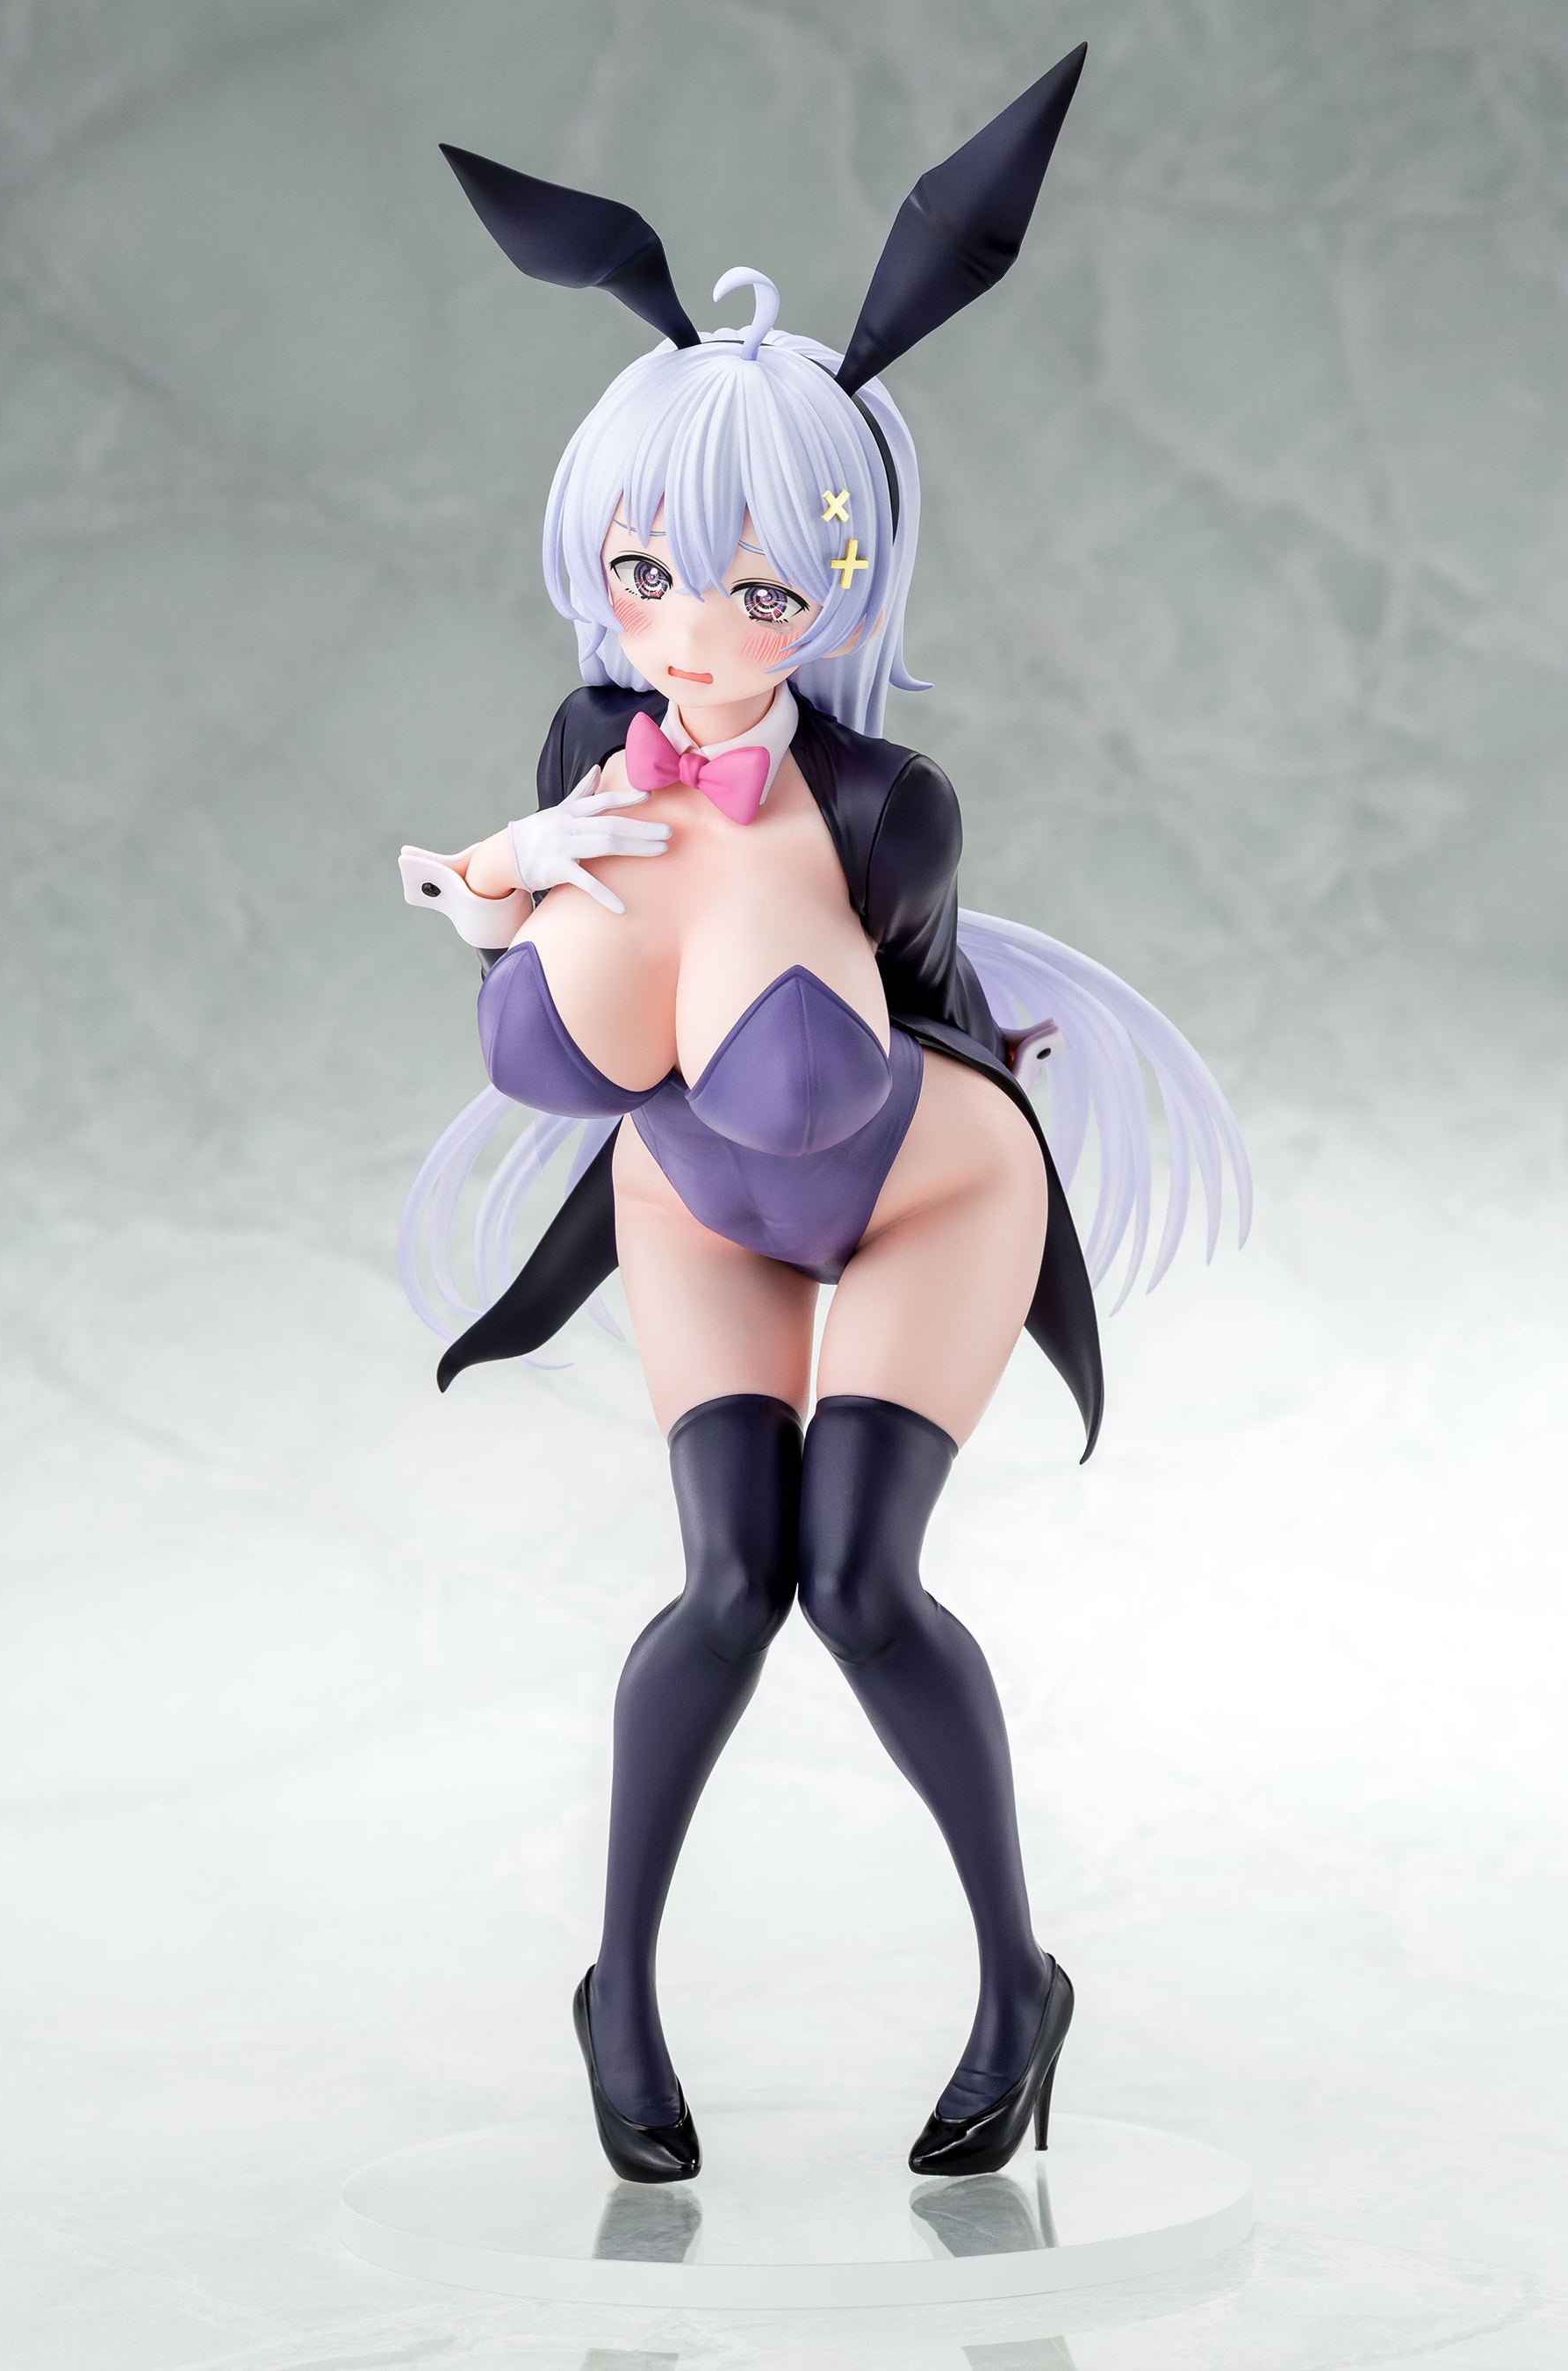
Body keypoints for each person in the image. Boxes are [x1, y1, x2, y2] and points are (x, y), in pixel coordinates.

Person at [399, 46, 1250, 2185]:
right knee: (722, 1592)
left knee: (859, 1589)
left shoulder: (886, 808)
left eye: (763, 592)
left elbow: (927, 1005)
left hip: (922, 1194)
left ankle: (1015, 1985)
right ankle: (617, 1989)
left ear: (844, 594)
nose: (696, 635)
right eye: (651, 574)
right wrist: (503, 894)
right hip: (699, 1197)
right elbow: (554, 1000)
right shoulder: (585, 752)